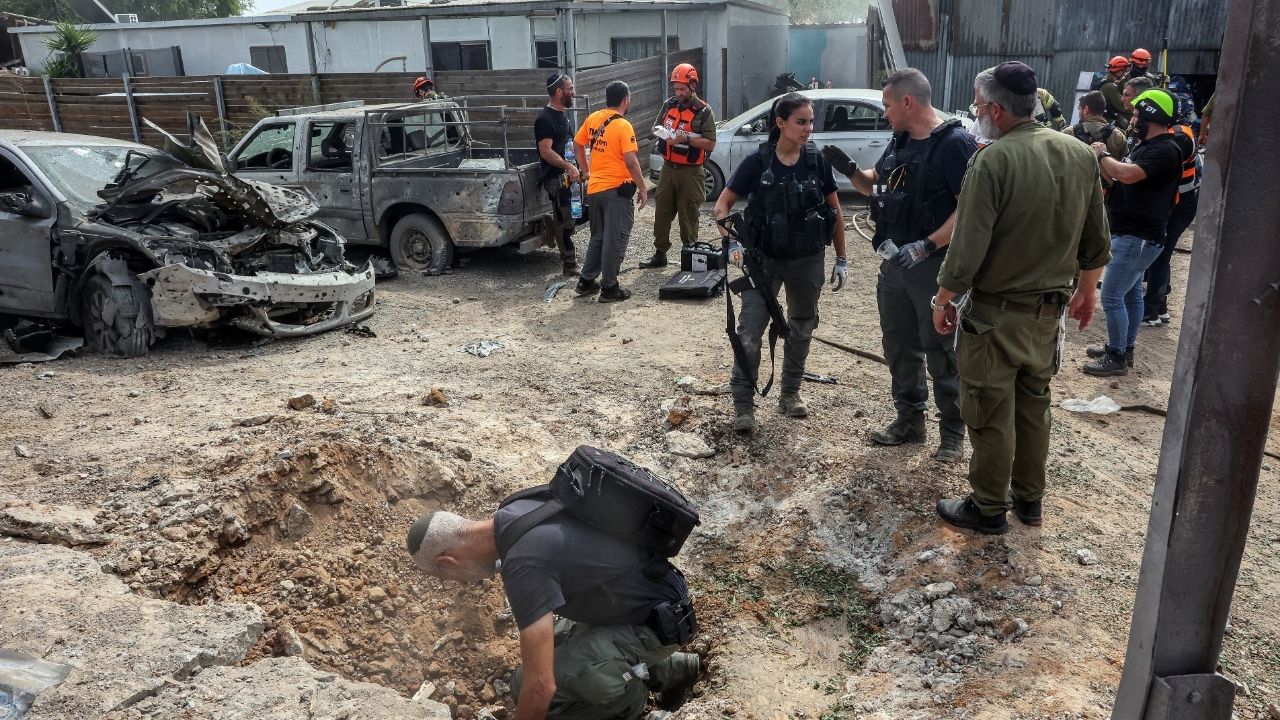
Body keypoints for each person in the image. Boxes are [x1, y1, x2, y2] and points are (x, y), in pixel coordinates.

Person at [931, 62, 1111, 534]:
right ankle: (1029, 500)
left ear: (995, 109)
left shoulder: (991, 160)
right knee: (1034, 407)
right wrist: (1088, 292)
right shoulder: (1078, 154)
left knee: (989, 409)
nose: (974, 112)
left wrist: (943, 298)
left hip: (995, 316)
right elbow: (1097, 242)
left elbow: (967, 249)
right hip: (1047, 317)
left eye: (976, 104)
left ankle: (989, 507)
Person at [405, 503, 701, 718]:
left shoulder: (522, 564)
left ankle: (630, 700)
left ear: (447, 562)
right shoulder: (514, 512)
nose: (453, 583)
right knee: (554, 646)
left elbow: (541, 687)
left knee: (528, 688)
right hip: (651, 598)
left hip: (658, 623)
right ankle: (674, 667)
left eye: (444, 577)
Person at [825, 68, 977, 462]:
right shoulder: (900, 140)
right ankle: (910, 421)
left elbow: (970, 208)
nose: (885, 111)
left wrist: (927, 246)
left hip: (934, 269)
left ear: (908, 102)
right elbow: (875, 184)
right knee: (898, 345)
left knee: (941, 349)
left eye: (888, 104)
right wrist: (851, 170)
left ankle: (953, 433)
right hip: (894, 265)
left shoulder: (955, 144)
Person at [713, 93, 846, 432]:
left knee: (802, 326)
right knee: (750, 332)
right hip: (764, 261)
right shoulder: (758, 163)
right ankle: (744, 405)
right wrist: (732, 242)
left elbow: (835, 211)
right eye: (801, 121)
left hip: (807, 259)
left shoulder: (817, 162)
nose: (808, 128)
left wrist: (841, 259)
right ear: (780, 123)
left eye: (811, 121)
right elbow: (722, 205)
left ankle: (790, 393)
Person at [1082, 89, 1183, 376]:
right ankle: (1124, 348)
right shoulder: (1146, 145)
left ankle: (1116, 357)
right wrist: (1102, 164)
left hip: (1138, 237)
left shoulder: (1164, 150)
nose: (1133, 117)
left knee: (1112, 295)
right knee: (1131, 295)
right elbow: (1118, 177)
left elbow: (1127, 174)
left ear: (1152, 114)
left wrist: (1101, 155)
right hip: (1134, 233)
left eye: (1138, 113)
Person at [572, 80, 648, 302]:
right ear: (625, 100)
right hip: (616, 192)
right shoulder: (624, 126)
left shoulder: (594, 118)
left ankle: (586, 282)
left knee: (598, 237)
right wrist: (643, 188)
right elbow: (631, 162)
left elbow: (577, 145)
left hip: (595, 189)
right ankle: (609, 288)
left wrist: (586, 173)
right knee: (614, 239)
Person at [640, 63, 718, 269]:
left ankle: (690, 255)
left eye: (682, 88)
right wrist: (661, 132)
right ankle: (660, 253)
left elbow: (710, 142)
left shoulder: (704, 111)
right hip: (668, 168)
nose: (679, 93)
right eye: (676, 88)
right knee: (662, 211)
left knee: (688, 213)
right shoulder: (668, 105)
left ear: (693, 86)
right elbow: (655, 127)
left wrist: (685, 139)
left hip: (691, 172)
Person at [1141, 107, 1199, 328]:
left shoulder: (1180, 136)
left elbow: (1162, 165)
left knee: (1159, 256)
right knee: (1159, 254)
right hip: (1175, 204)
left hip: (1178, 206)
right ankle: (1160, 306)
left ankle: (1151, 311)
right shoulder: (1178, 133)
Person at [534, 73, 582, 277]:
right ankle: (569, 265)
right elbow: (545, 151)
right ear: (559, 91)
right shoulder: (544, 119)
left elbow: (568, 145)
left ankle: (553, 229)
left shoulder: (562, 114)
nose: (573, 92)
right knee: (565, 220)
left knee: (575, 216)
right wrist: (567, 166)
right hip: (556, 179)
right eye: (570, 88)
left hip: (570, 177)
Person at [1063, 91, 1128, 183]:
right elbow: (1123, 168)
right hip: (1105, 194)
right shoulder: (1119, 136)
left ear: (1086, 109)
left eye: (1079, 108)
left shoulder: (1069, 132)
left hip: (1075, 191)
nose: (1079, 112)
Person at [1097, 56, 1132, 130]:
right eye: (1125, 71)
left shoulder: (1106, 81)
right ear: (1119, 71)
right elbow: (1124, 106)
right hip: (1107, 123)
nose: (1126, 74)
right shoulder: (1110, 86)